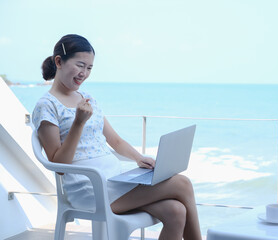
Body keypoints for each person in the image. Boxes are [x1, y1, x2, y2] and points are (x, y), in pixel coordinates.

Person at [32, 34, 202, 240]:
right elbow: (59, 166)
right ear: (59, 61)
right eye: (80, 65)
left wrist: (138, 158)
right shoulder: (46, 106)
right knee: (182, 184)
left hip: (115, 178)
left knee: (176, 211)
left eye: (89, 68)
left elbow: (115, 141)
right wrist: (78, 123)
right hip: (88, 188)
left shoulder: (86, 98)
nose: (84, 73)